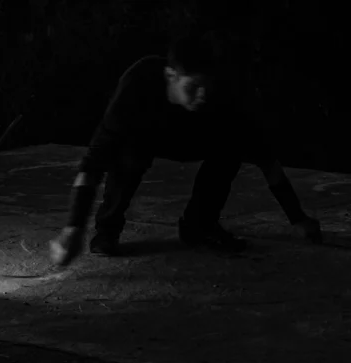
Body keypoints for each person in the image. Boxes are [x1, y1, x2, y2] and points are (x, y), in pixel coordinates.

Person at [49, 32, 322, 267]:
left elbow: (267, 161)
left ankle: (199, 225)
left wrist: (298, 218)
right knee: (128, 155)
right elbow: (92, 164)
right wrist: (73, 228)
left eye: (207, 86)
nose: (202, 95)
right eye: (193, 87)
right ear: (171, 76)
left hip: (195, 138)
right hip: (148, 136)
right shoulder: (138, 83)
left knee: (233, 146)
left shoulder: (223, 97)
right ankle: (107, 230)